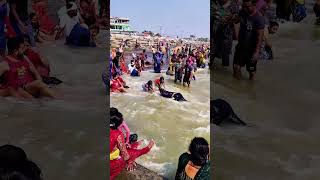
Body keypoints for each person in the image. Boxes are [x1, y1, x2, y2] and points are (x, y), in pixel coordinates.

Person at [110, 108, 155, 180]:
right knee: (132, 152)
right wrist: (130, 161)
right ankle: (146, 149)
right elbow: (125, 155)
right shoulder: (117, 134)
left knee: (126, 147)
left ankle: (136, 144)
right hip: (112, 164)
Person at [233, 0, 265, 80]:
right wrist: (234, 18)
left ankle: (250, 89)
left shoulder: (259, 18)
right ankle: (236, 89)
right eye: (244, 6)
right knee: (236, 68)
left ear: (254, 5)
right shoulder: (242, 12)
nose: (245, 9)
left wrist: (257, 52)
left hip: (252, 48)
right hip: (241, 45)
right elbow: (236, 21)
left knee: (251, 72)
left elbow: (260, 37)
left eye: (248, 7)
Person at [212, 0, 240, 68]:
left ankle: (224, 69)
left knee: (226, 52)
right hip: (214, 31)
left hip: (227, 33)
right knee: (212, 51)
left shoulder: (234, 5)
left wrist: (230, 18)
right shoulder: (214, 2)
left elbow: (237, 20)